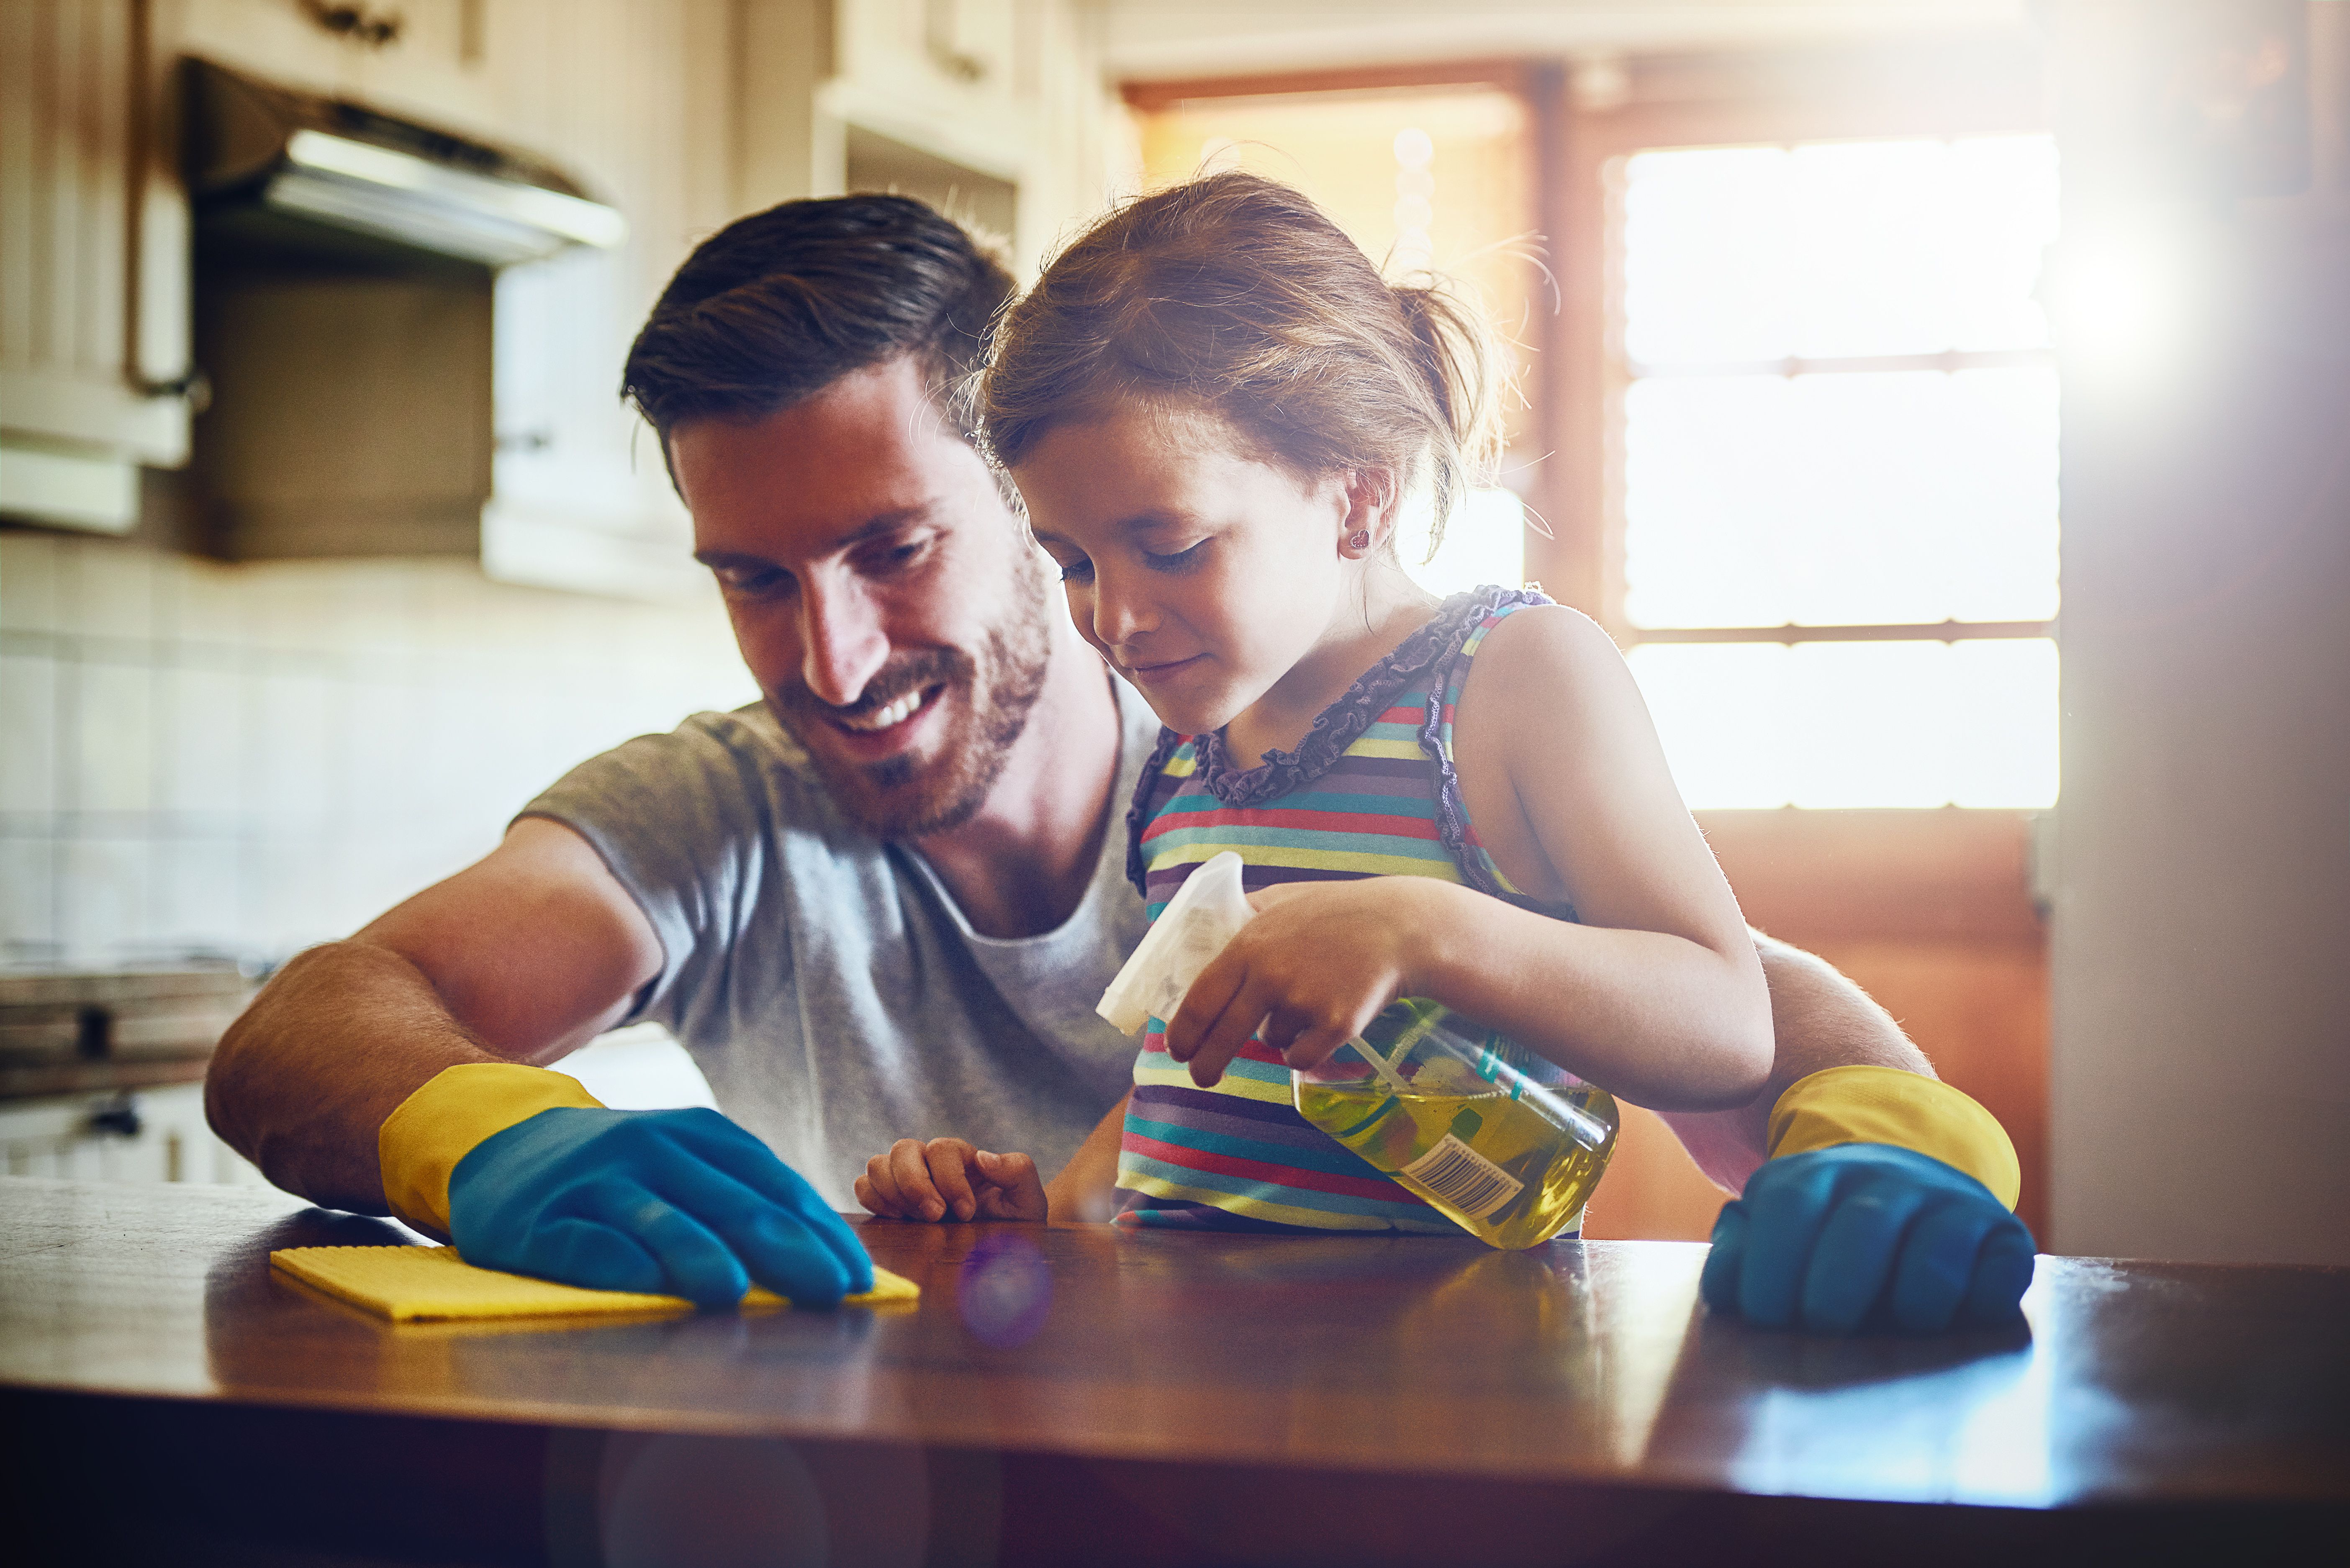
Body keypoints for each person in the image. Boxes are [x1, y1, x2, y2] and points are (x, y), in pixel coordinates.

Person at [205, 191, 2030, 1333]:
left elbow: (1726, 994)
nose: (831, 660)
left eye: (895, 548)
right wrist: (480, 1134)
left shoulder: (1289, 701)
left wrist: (1892, 1137)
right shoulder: (743, 807)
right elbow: (302, 1029)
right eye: (753, 579)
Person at [850, 174, 2033, 1329]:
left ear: (1359, 498)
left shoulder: (1512, 681)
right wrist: (1049, 1213)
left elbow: (1726, 1025)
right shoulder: (1185, 755)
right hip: (1193, 1381)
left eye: (1172, 547)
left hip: (1452, 1382)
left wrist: (1421, 926)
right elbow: (1188, 1091)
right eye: (1071, 562)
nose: (1113, 616)